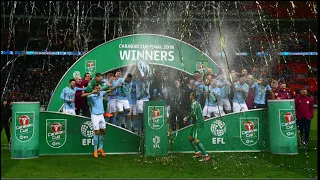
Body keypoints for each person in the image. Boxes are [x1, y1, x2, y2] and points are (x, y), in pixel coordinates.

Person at [81, 84, 122, 158]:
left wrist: (118, 86)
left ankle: (101, 148)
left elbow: (109, 90)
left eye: (99, 88)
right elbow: (82, 95)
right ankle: (95, 150)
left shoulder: (101, 93)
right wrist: (92, 92)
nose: (98, 89)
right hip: (94, 116)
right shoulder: (91, 96)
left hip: (101, 115)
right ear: (94, 89)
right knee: (96, 132)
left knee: (103, 132)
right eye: (97, 88)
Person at [184, 91, 211, 162]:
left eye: (190, 95)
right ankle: (198, 153)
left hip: (198, 123)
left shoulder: (193, 104)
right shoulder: (196, 103)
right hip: (197, 122)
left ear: (192, 96)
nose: (189, 96)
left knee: (195, 139)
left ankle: (206, 155)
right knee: (190, 138)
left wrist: (186, 118)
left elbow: (193, 114)